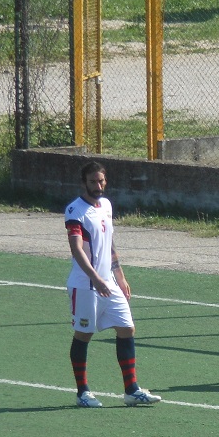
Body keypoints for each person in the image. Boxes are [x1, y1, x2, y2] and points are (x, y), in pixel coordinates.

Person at [65, 161, 161, 408]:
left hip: (109, 283)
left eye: (102, 181)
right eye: (94, 181)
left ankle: (131, 390)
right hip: (86, 286)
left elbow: (109, 244)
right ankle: (82, 393)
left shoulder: (106, 206)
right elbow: (76, 249)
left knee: (127, 328)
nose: (99, 186)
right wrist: (95, 278)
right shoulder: (75, 211)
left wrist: (120, 276)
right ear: (83, 182)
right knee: (84, 334)